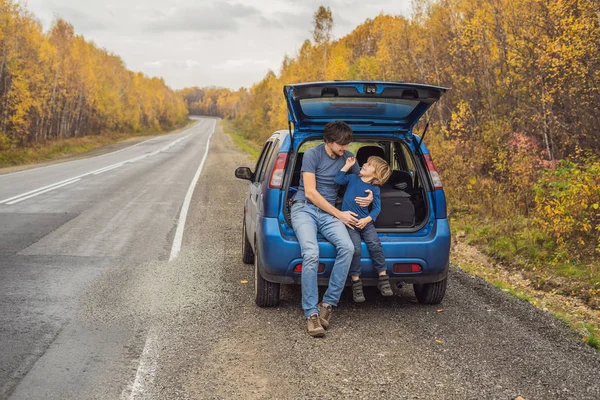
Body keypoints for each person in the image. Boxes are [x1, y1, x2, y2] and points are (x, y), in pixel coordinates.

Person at [290, 121, 373, 337]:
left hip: (329, 213)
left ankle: (328, 304)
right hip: (305, 209)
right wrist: (340, 214)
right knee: (311, 253)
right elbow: (310, 192)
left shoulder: (348, 157)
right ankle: (311, 313)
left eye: (347, 144)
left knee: (348, 248)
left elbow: (363, 180)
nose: (345, 148)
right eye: (341, 144)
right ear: (328, 141)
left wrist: (371, 193)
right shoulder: (312, 154)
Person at [334, 155, 393, 302]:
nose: (364, 164)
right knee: (355, 249)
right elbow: (338, 180)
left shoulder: (374, 189)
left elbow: (377, 208)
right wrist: (347, 165)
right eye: (365, 162)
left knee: (375, 245)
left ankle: (383, 278)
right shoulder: (353, 178)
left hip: (366, 223)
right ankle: (356, 282)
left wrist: (367, 219)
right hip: (350, 223)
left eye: (369, 164)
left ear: (376, 174)